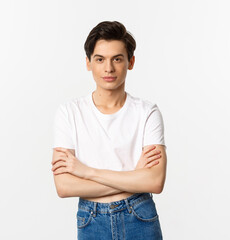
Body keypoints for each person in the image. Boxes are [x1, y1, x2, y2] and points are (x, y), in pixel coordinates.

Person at [51, 21, 166, 239]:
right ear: (88, 63)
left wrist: (87, 172)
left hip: (139, 216)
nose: (109, 68)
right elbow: (64, 186)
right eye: (100, 59)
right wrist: (133, 178)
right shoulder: (69, 113)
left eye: (117, 59)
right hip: (91, 219)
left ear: (130, 62)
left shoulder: (147, 112)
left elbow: (154, 182)